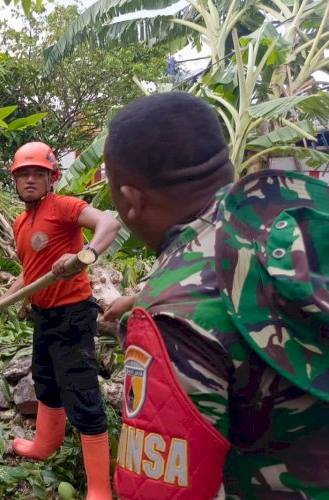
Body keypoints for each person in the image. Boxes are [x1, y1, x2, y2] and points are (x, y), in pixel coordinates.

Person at [101, 92, 329, 498]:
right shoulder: (303, 220)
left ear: (131, 201)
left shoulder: (173, 319)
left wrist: (152, 308)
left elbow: (159, 492)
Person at [0, 142, 121, 500]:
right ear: (15, 180)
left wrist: (84, 253)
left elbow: (109, 222)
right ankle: (44, 444)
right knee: (45, 382)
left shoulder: (65, 207)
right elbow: (30, 275)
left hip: (73, 315)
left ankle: (100, 488)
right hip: (42, 315)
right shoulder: (20, 222)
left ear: (51, 178)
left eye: (36, 174)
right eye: (22, 174)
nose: (29, 179)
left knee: (82, 392)